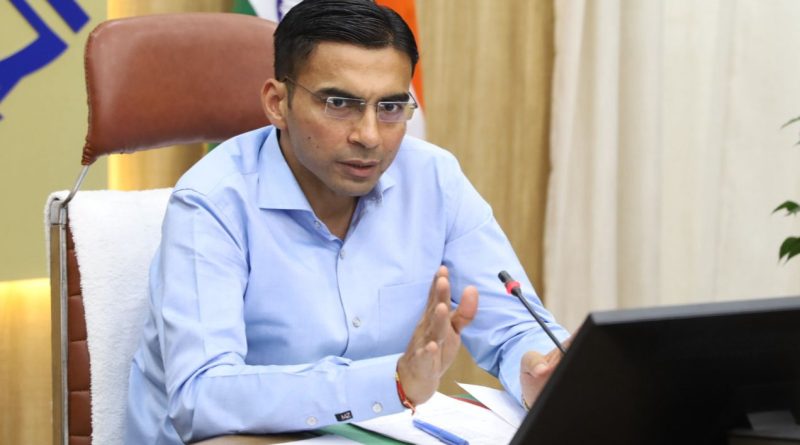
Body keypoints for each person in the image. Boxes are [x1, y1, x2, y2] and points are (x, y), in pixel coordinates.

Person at [124, 0, 569, 443]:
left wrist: (537, 367)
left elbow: (514, 328)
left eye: (391, 107)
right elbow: (201, 396)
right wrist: (391, 382)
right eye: (340, 103)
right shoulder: (211, 202)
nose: (369, 136)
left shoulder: (433, 179)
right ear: (278, 103)